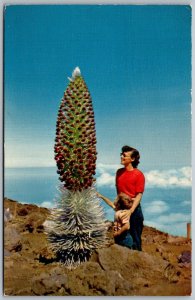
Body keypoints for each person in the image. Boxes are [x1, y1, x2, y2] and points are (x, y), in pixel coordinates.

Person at [115, 145, 145, 251]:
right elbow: (118, 192)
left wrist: (131, 211)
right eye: (121, 155)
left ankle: (138, 263)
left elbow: (139, 195)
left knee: (135, 238)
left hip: (134, 209)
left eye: (124, 155)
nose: (121, 157)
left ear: (132, 159)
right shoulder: (119, 173)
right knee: (121, 236)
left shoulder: (138, 175)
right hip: (122, 208)